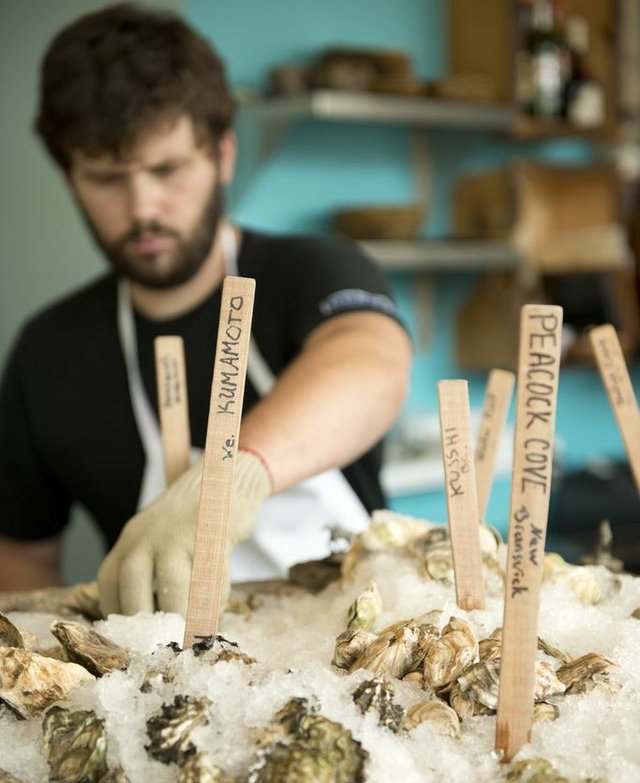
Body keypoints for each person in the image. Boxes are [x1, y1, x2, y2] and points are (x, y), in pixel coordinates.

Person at [0, 3, 412, 616]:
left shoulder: (312, 270)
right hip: (163, 666)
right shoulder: (49, 354)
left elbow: (372, 361)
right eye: (107, 178)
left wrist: (231, 479)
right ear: (70, 179)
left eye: (167, 169)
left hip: (348, 645)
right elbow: (22, 562)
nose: (143, 208)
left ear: (222, 154)